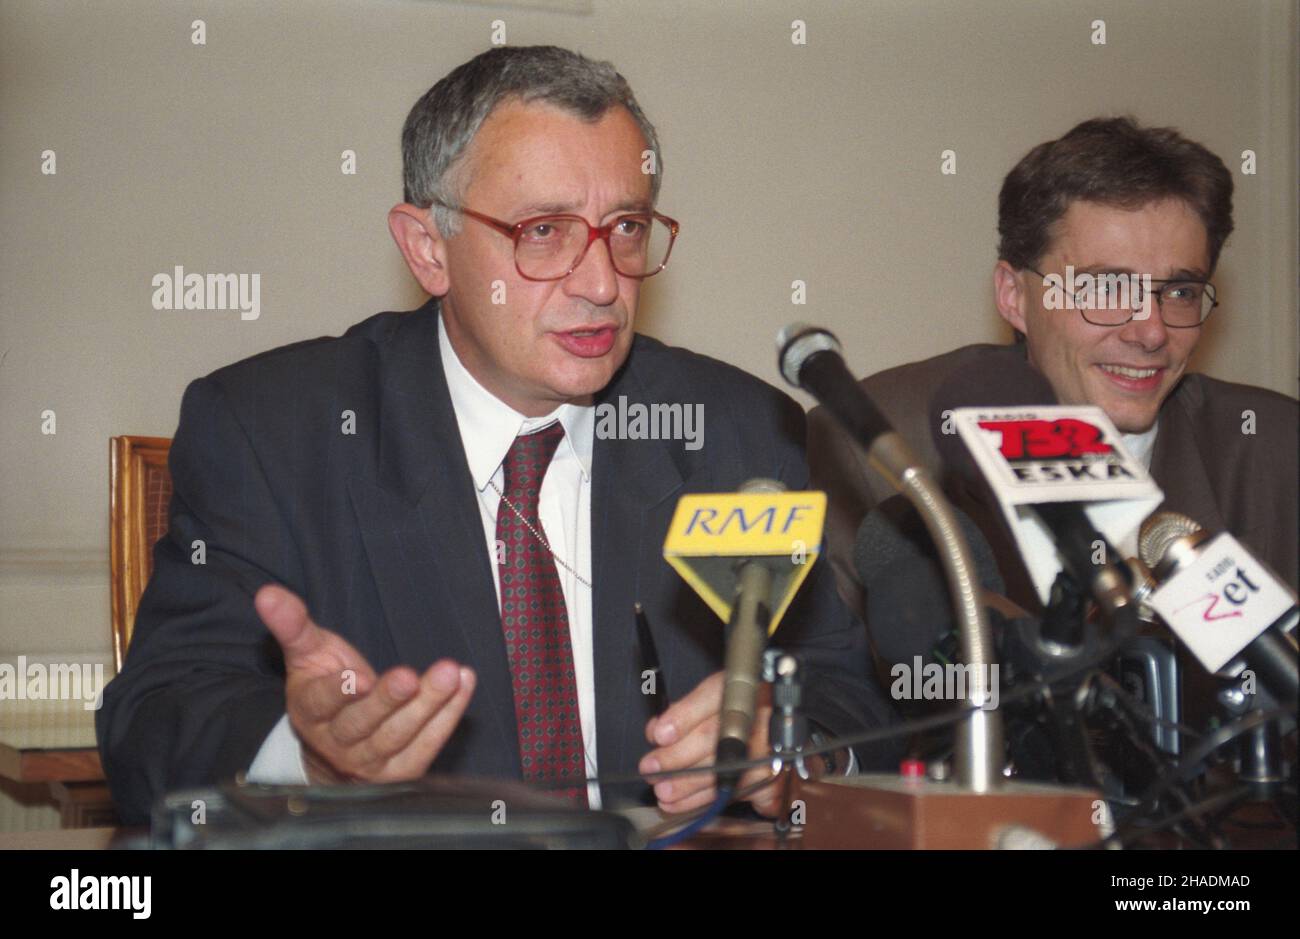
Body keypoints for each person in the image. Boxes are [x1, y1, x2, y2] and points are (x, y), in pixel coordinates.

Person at [97, 45, 898, 826]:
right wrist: (305, 755)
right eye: (543, 231)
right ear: (426, 249)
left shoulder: (736, 433)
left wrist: (791, 743)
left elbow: (845, 693)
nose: (600, 283)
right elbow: (154, 720)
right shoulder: (274, 431)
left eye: (625, 226)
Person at [810, 116, 1298, 685]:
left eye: (1180, 292)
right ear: (1015, 297)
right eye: (1106, 288)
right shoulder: (880, 442)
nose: (1151, 332)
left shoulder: (1275, 453)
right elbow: (839, 703)